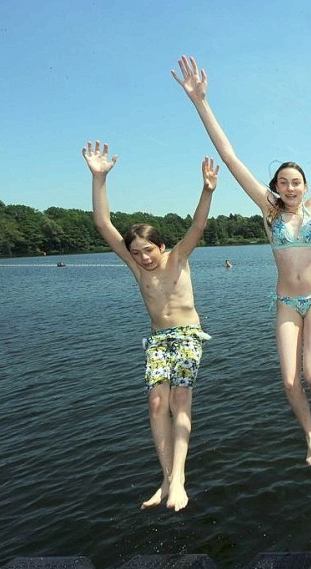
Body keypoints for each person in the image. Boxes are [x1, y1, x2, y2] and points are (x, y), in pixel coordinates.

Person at [172, 56, 311, 466]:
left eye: (296, 181)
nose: (290, 187)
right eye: (283, 182)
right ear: (275, 187)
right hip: (285, 304)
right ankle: (308, 433)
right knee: (289, 380)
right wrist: (200, 102)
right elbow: (231, 157)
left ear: (305, 185)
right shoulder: (270, 212)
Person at [82, 140, 218, 512]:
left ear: (162, 246)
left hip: (188, 334)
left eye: (149, 250)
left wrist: (206, 190)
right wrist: (99, 179)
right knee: (156, 403)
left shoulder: (178, 259)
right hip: (158, 339)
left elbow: (198, 225)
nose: (143, 257)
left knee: (179, 399)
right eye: (137, 252)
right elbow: (102, 223)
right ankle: (165, 478)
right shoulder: (133, 265)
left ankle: (180, 479)